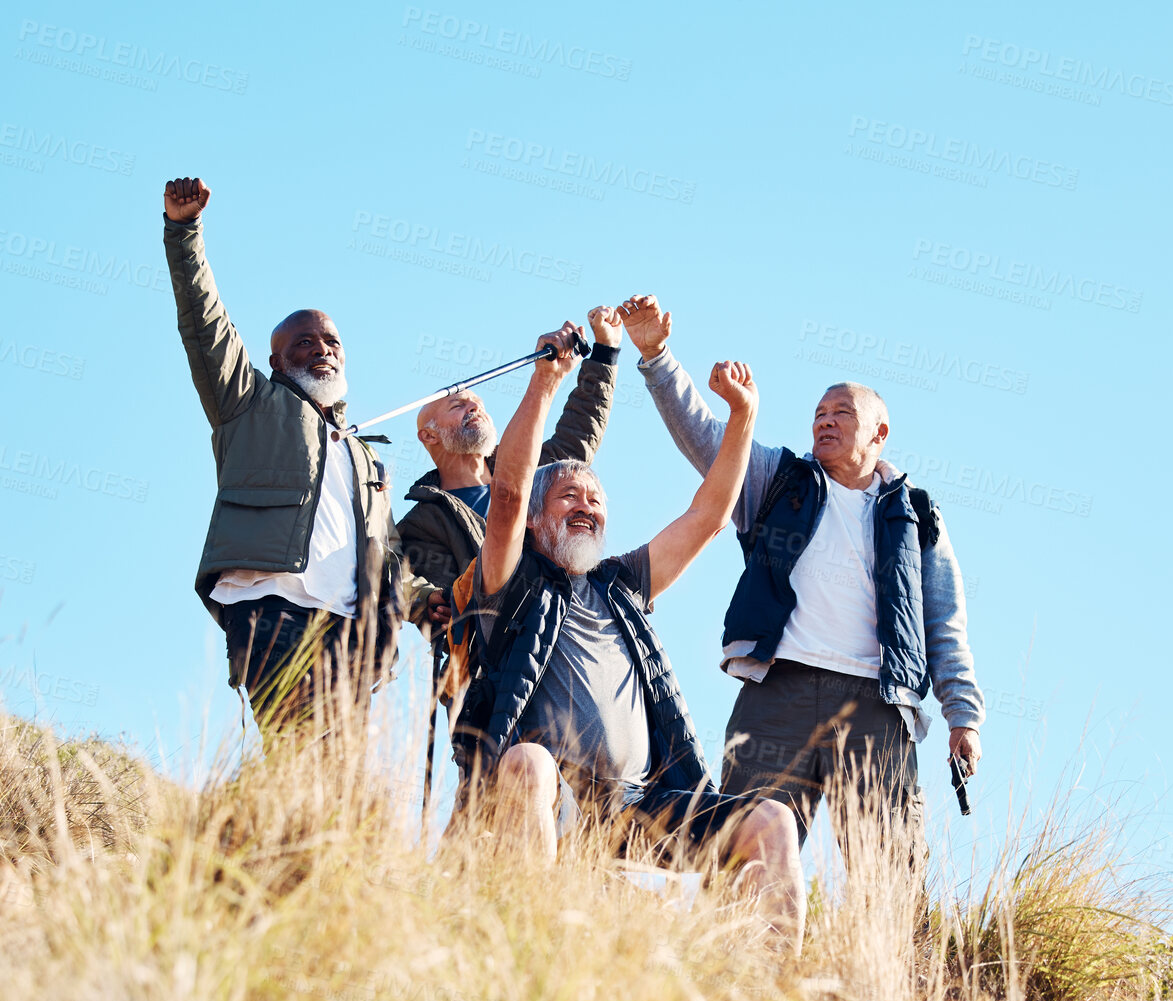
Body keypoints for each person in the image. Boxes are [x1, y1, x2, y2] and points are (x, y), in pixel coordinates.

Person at [449, 328, 804, 949]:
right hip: (552, 794)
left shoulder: (624, 585)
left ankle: (769, 988)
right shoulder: (510, 582)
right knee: (530, 762)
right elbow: (505, 493)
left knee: (773, 820)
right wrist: (545, 381)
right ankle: (537, 956)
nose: (587, 506)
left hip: (645, 805)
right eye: (568, 497)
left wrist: (742, 415)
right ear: (536, 521)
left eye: (597, 498)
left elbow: (709, 517)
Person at [617, 294, 985, 865]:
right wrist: (657, 355)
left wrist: (963, 716)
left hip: (878, 706)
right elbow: (707, 438)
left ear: (879, 433)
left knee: (889, 873)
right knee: (745, 857)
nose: (825, 420)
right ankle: (742, 955)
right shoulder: (779, 481)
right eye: (818, 412)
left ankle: (879, 958)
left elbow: (943, 622)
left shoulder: (914, 515)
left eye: (842, 413)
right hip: (777, 695)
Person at [162, 177, 424, 734]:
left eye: (330, 341)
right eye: (304, 342)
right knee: (300, 748)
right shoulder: (250, 402)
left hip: (349, 627)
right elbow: (203, 325)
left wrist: (429, 604)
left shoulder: (364, 458)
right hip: (269, 604)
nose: (322, 348)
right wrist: (185, 231)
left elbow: (388, 553)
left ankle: (260, 822)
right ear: (277, 361)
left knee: (337, 782)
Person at [396, 306, 624, 598]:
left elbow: (581, 429)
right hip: (508, 638)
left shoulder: (533, 469)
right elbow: (448, 609)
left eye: (477, 403)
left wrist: (605, 351)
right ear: (429, 435)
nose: (474, 407)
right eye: (458, 405)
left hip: (571, 620)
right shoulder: (422, 523)